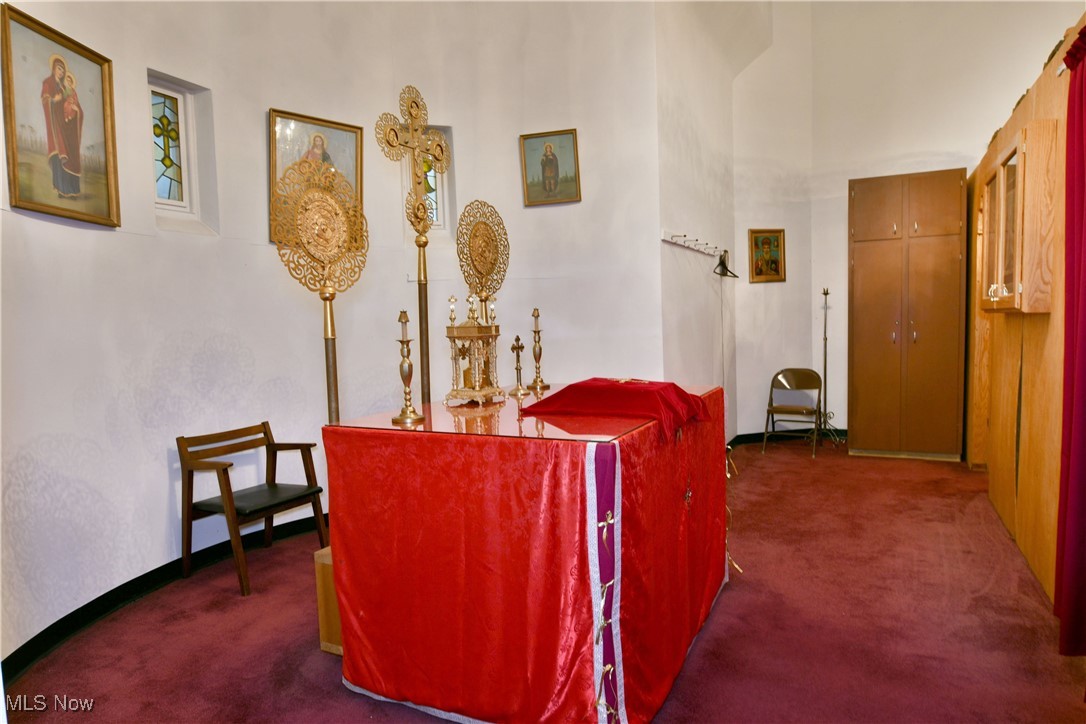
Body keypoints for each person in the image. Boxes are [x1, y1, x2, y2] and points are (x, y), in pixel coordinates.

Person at [41, 55, 82, 198]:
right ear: (53, 68)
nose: (61, 72)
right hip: (56, 127)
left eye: (63, 70)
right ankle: (61, 189)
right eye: (59, 69)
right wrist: (53, 100)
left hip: (67, 129)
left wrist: (76, 111)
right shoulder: (48, 83)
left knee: (69, 157)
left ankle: (71, 190)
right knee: (59, 157)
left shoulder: (66, 88)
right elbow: (45, 100)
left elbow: (76, 106)